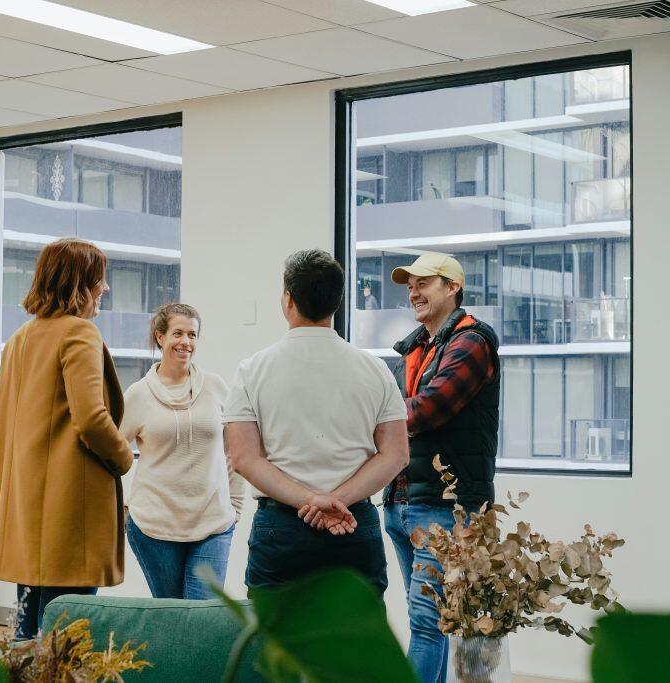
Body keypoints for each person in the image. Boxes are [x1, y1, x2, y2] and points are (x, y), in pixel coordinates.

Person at [223, 249, 409, 592]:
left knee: (275, 643)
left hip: (280, 528)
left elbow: (245, 458)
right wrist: (336, 500)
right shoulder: (375, 370)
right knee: (355, 644)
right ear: (336, 303)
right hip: (353, 522)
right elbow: (396, 454)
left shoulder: (252, 370)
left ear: (288, 299)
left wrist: (311, 501)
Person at [0, 237, 135, 640]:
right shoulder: (79, 333)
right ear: (80, 283)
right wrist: (124, 458)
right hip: (69, 513)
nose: (104, 288)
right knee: (67, 639)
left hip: (27, 511)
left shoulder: (19, 339)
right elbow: (90, 418)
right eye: (99, 280)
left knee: (27, 636)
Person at [384, 252, 501, 683]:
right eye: (409, 285)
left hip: (443, 506)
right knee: (428, 621)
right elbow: (397, 416)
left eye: (424, 283)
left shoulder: (472, 342)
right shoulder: (415, 348)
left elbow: (427, 410)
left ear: (452, 288)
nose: (413, 292)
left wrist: (377, 421)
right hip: (400, 500)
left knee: (426, 623)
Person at [119, 303, 246, 599]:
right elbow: (113, 454)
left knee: (201, 617)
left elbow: (234, 450)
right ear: (160, 337)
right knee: (172, 618)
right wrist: (126, 505)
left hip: (213, 522)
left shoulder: (215, 387)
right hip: (154, 527)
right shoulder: (138, 394)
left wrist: (235, 505)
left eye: (192, 334)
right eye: (177, 333)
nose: (186, 342)